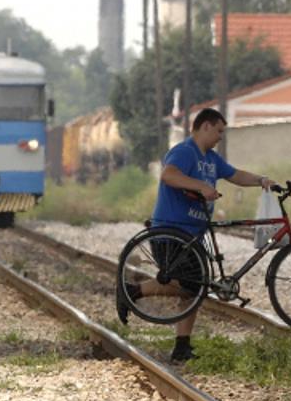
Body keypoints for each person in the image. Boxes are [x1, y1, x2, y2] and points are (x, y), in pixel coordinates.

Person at [117, 107, 274, 363]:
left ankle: (182, 346)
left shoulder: (212, 159)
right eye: (219, 131)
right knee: (191, 285)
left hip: (193, 235)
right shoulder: (185, 151)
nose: (221, 137)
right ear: (205, 127)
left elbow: (235, 175)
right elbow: (168, 175)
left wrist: (262, 180)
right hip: (172, 232)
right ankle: (132, 291)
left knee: (194, 290)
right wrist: (200, 186)